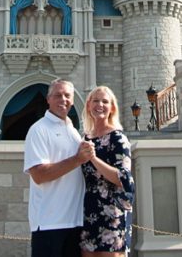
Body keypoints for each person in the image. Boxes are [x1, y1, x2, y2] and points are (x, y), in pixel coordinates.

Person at [24, 79, 94, 257]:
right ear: (48, 99)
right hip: (49, 224)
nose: (63, 99)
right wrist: (77, 159)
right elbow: (39, 174)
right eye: (58, 95)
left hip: (75, 223)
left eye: (67, 95)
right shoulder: (39, 130)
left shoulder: (72, 130)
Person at [80, 86, 135, 256]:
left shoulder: (118, 138)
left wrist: (93, 159)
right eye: (95, 101)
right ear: (88, 106)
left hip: (112, 212)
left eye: (105, 101)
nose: (100, 105)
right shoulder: (85, 138)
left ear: (112, 107)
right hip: (88, 211)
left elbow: (123, 178)